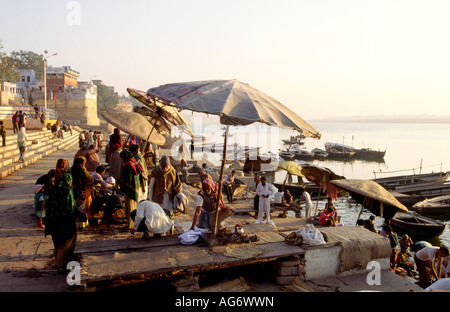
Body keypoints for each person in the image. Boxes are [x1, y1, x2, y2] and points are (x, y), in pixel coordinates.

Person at [44, 173, 87, 273]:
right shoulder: (68, 191)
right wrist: (82, 216)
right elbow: (72, 207)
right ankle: (61, 265)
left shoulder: (54, 190)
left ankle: (58, 262)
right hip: (65, 223)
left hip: (53, 222)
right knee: (66, 244)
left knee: (57, 243)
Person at [149, 156, 182, 235]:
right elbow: (151, 187)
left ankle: (171, 231)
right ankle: (160, 232)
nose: (165, 168)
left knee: (170, 216)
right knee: (159, 216)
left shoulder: (172, 172)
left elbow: (177, 185)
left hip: (169, 198)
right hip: (158, 199)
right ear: (161, 165)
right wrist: (151, 200)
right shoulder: (155, 172)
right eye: (163, 167)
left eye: (166, 167)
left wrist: (178, 196)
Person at [119, 149, 144, 230]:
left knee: (130, 207)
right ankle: (131, 223)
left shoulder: (128, 165)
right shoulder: (133, 162)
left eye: (122, 157)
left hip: (130, 189)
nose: (122, 159)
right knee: (132, 206)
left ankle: (130, 225)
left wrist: (121, 182)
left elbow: (127, 179)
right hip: (135, 188)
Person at [71, 157, 94, 225]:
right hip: (80, 191)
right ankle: (81, 221)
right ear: (77, 164)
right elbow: (84, 182)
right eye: (81, 164)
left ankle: (75, 220)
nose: (82, 166)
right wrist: (92, 182)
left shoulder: (71, 170)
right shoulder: (80, 171)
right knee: (81, 206)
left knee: (75, 205)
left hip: (73, 191)